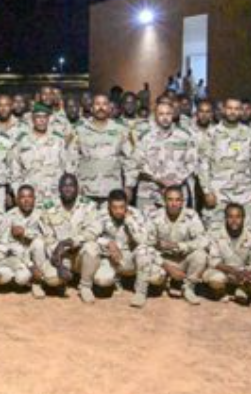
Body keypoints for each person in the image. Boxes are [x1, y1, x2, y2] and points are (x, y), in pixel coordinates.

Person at [198, 98, 251, 228]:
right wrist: (206, 191)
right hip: (218, 194)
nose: (233, 112)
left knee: (249, 233)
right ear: (223, 110)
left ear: (241, 111)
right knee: (214, 235)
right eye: (230, 108)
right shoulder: (211, 134)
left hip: (245, 194)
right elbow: (203, 164)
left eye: (236, 109)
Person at [127, 99, 198, 215]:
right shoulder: (145, 137)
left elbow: (192, 162)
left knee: (175, 229)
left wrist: (176, 180)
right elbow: (138, 161)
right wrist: (159, 179)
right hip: (149, 192)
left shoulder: (185, 136)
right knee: (147, 229)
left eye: (168, 114)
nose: (165, 118)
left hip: (177, 192)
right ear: (155, 115)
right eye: (161, 114)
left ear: (173, 114)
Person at [40, 173, 102, 302]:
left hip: (81, 256)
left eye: (71, 185)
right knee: (51, 279)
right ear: (59, 189)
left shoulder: (89, 206)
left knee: (92, 246)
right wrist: (59, 265)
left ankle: (85, 287)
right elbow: (48, 238)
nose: (68, 189)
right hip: (61, 257)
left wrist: (70, 242)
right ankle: (62, 283)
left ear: (78, 188)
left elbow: (94, 231)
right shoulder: (49, 207)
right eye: (64, 186)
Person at [93, 190, 158, 307]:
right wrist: (108, 243)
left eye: (122, 207)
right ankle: (116, 281)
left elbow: (144, 240)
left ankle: (140, 293)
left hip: (130, 258)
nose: (118, 211)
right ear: (109, 206)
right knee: (102, 281)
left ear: (127, 205)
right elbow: (91, 237)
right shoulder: (101, 214)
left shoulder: (136, 214)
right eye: (114, 207)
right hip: (110, 258)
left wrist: (130, 221)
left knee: (144, 250)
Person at [147, 185, 208, 305]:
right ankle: (166, 283)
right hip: (163, 261)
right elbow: (146, 245)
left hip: (183, 259)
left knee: (201, 255)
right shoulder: (155, 216)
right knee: (153, 276)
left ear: (182, 202)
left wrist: (178, 245)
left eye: (177, 200)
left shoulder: (191, 215)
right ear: (164, 201)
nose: (174, 204)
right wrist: (167, 267)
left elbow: (203, 240)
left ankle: (188, 288)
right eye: (170, 199)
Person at [202, 203, 251, 305]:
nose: (234, 220)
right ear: (225, 218)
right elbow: (213, 261)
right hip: (224, 272)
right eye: (230, 217)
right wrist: (233, 271)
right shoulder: (215, 233)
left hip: (244, 274)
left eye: (238, 217)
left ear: (243, 218)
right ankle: (221, 292)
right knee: (215, 279)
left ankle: (243, 289)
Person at [12, 103, 74, 209]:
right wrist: (19, 194)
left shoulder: (58, 140)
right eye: (38, 117)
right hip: (30, 198)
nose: (41, 120)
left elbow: (67, 168)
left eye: (44, 117)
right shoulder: (22, 141)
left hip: (55, 196)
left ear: (49, 119)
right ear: (32, 119)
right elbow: (15, 171)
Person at [74, 93, 133, 203]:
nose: (101, 108)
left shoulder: (121, 130)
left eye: (104, 104)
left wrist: (129, 186)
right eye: (97, 104)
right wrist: (74, 185)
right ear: (91, 108)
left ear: (110, 108)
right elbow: (71, 159)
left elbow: (130, 159)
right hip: (86, 190)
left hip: (112, 190)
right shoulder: (80, 130)